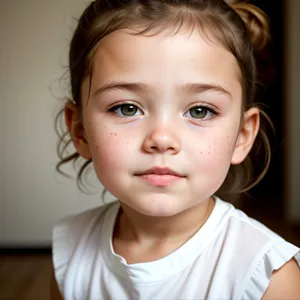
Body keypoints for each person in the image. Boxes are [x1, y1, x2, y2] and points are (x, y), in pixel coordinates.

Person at [51, 0, 300, 299]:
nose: (162, 138)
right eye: (127, 108)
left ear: (242, 136)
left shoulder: (266, 276)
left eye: (199, 111)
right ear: (80, 130)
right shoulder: (70, 252)